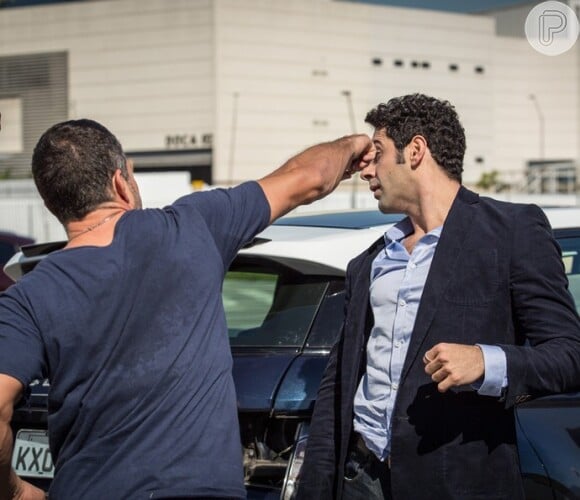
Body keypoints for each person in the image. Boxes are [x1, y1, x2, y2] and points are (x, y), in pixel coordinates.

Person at [0, 119, 375, 500]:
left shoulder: (29, 295)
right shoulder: (193, 226)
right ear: (120, 183)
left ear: (51, 203)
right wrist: (354, 144)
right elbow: (307, 176)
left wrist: (14, 492)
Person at [296, 93, 580, 500]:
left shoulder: (512, 231)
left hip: (456, 482)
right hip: (360, 478)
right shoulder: (370, 261)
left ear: (415, 151)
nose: (367, 171)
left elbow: (570, 354)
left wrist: (487, 361)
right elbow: (338, 386)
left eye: (377, 153)